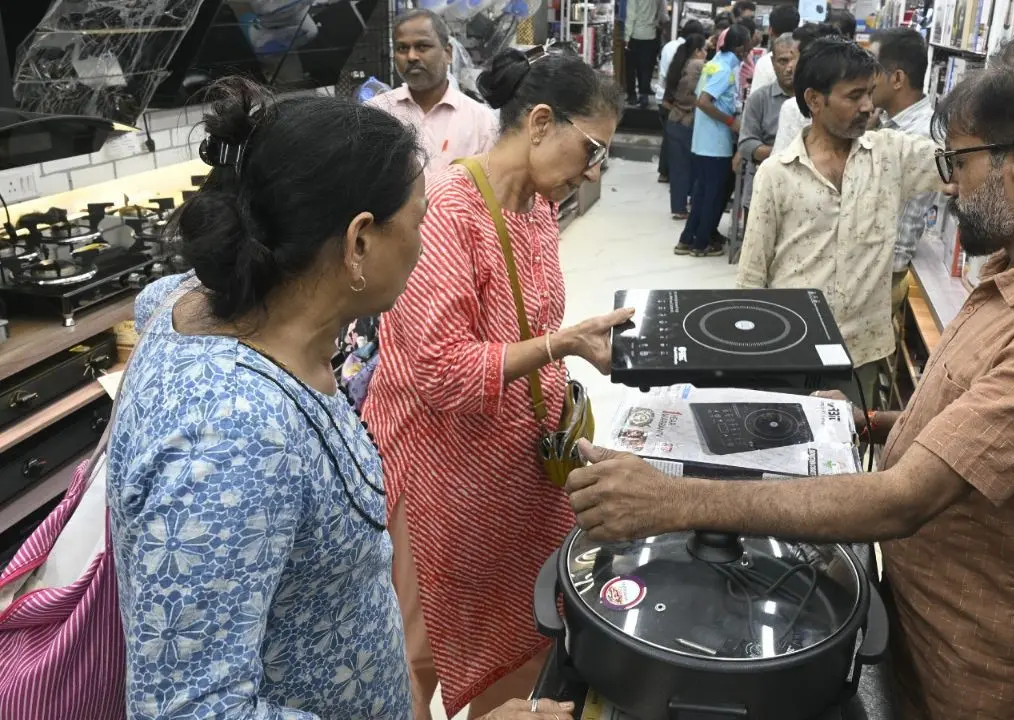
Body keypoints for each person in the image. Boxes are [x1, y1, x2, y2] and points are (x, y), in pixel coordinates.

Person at [563, 33, 1014, 720]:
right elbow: (981, 430)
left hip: (984, 661)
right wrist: (867, 423)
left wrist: (672, 505)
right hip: (924, 614)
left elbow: (905, 499)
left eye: (958, 163)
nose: (952, 185)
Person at [107, 78, 575, 720]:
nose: (426, 237)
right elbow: (190, 710)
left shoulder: (191, 301)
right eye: (418, 219)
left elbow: (157, 294)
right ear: (358, 243)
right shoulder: (236, 437)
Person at [362, 48, 629, 720]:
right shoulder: (449, 212)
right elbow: (438, 368)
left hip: (513, 471)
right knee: (421, 649)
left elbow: (528, 324)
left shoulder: (537, 207)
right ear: (540, 122)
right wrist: (562, 344)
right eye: (591, 147)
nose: (593, 169)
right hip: (438, 479)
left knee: (524, 628)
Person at [737, 38, 938, 405]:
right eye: (854, 96)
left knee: (844, 451)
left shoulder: (892, 154)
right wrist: (748, 355)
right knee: (779, 449)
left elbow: (957, 161)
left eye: (870, 94)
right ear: (815, 100)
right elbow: (752, 275)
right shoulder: (776, 174)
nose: (867, 106)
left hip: (858, 354)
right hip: (787, 350)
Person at [366, 9, 498, 174]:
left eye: (422, 46)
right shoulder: (375, 114)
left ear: (448, 53)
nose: (411, 56)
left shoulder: (482, 122)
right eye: (402, 48)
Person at [869, 27, 934, 319]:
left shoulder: (920, 136)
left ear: (896, 78)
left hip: (884, 275)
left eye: (872, 69)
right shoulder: (887, 122)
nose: (865, 78)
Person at [674, 23, 751, 257]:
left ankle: (688, 239)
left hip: (702, 141)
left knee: (702, 192)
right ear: (739, 47)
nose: (750, 49)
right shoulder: (723, 71)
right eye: (748, 45)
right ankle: (702, 243)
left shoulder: (714, 64)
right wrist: (731, 122)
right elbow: (704, 101)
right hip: (716, 143)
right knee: (713, 194)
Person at [736, 32, 797, 212]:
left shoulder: (814, 99)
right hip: (761, 190)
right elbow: (747, 145)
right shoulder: (759, 99)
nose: (789, 68)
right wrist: (788, 152)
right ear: (773, 64)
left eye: (794, 61)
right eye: (783, 61)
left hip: (798, 197)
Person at [772, 22, 839, 153]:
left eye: (794, 57)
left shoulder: (793, 108)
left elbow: (781, 158)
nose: (790, 66)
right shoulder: (845, 101)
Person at [663, 33, 709, 219]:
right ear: (697, 51)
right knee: (688, 168)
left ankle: (678, 207)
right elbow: (688, 95)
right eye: (704, 49)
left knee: (678, 169)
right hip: (686, 122)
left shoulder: (679, 63)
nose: (706, 53)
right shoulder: (697, 65)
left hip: (674, 120)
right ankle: (684, 206)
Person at [657, 19, 707, 183]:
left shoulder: (673, 49)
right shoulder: (694, 63)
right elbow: (688, 92)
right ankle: (675, 177)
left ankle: (664, 173)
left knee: (668, 142)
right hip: (679, 110)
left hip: (666, 100)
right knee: (680, 148)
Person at [747, 4, 800, 96]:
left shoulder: (764, 63)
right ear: (797, 29)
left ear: (770, 30)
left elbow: (755, 100)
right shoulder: (805, 60)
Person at [625, 0, 667, 108]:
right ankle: (644, 96)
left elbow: (631, 16)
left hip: (635, 35)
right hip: (650, 34)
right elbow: (662, 15)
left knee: (631, 68)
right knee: (646, 68)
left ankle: (632, 95)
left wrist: (626, 36)